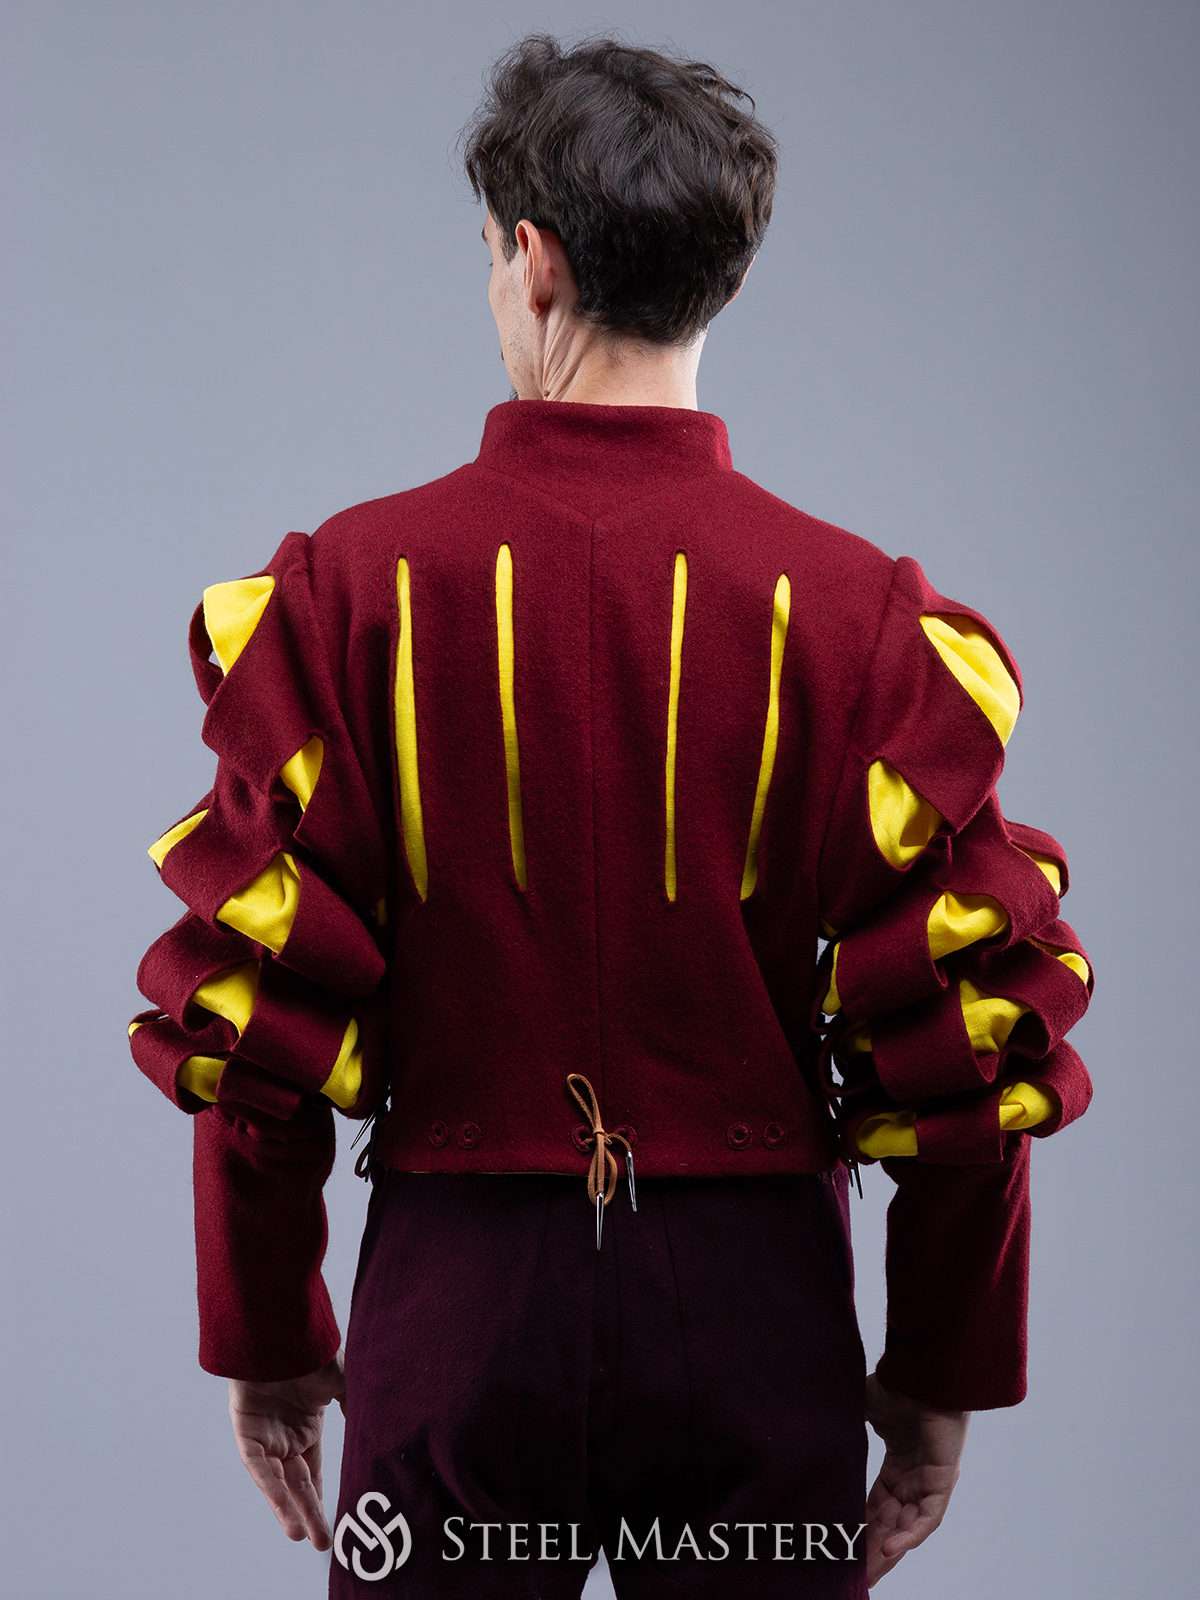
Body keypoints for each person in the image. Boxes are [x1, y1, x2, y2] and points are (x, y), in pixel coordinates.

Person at [129, 35, 1093, 1598]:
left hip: (455, 1311)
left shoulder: (347, 596)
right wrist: (940, 1370)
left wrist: (268, 1337)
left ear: (534, 258)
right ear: (720, 275)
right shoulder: (863, 621)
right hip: (756, 1314)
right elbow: (962, 1028)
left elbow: (262, 1012)